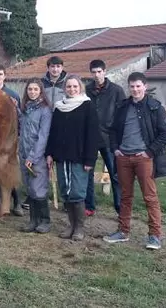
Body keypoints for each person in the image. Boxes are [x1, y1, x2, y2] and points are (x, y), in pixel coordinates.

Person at [103, 72, 166, 250]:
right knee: (125, 196)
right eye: (132, 86)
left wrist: (149, 152)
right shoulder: (123, 107)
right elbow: (112, 130)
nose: (135, 89)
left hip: (143, 159)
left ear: (145, 86)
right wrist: (115, 149)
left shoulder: (155, 107)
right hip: (123, 157)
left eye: (138, 86)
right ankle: (123, 231)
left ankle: (155, 236)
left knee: (150, 197)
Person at [45, 75, 99, 241]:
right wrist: (49, 153)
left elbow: (92, 135)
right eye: (69, 86)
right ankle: (70, 225)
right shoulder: (59, 107)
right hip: (62, 156)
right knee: (65, 192)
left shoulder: (87, 105)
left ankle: (79, 228)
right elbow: (53, 133)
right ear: (64, 88)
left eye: (75, 86)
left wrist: (90, 160)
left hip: (79, 157)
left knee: (77, 192)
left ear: (80, 87)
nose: (72, 89)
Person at [85, 59, 126, 217]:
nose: (97, 75)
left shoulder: (116, 91)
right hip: (90, 139)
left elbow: (122, 115)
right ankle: (89, 206)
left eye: (99, 71)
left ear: (105, 71)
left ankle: (120, 208)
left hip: (109, 139)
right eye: (94, 72)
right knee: (87, 174)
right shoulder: (86, 90)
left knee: (115, 175)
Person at [0, 63, 23, 216]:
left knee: (9, 169)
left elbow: (19, 118)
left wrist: (17, 138)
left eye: (0, 74)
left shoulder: (12, 95)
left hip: (9, 139)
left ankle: (17, 203)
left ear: (5, 76)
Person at [17, 78, 53, 233]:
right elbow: (23, 128)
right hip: (24, 154)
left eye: (35, 89)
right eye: (30, 89)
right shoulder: (26, 109)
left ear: (41, 92)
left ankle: (44, 221)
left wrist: (33, 157)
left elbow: (43, 136)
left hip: (37, 157)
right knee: (30, 188)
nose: (32, 92)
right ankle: (33, 220)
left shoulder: (45, 110)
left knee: (38, 189)